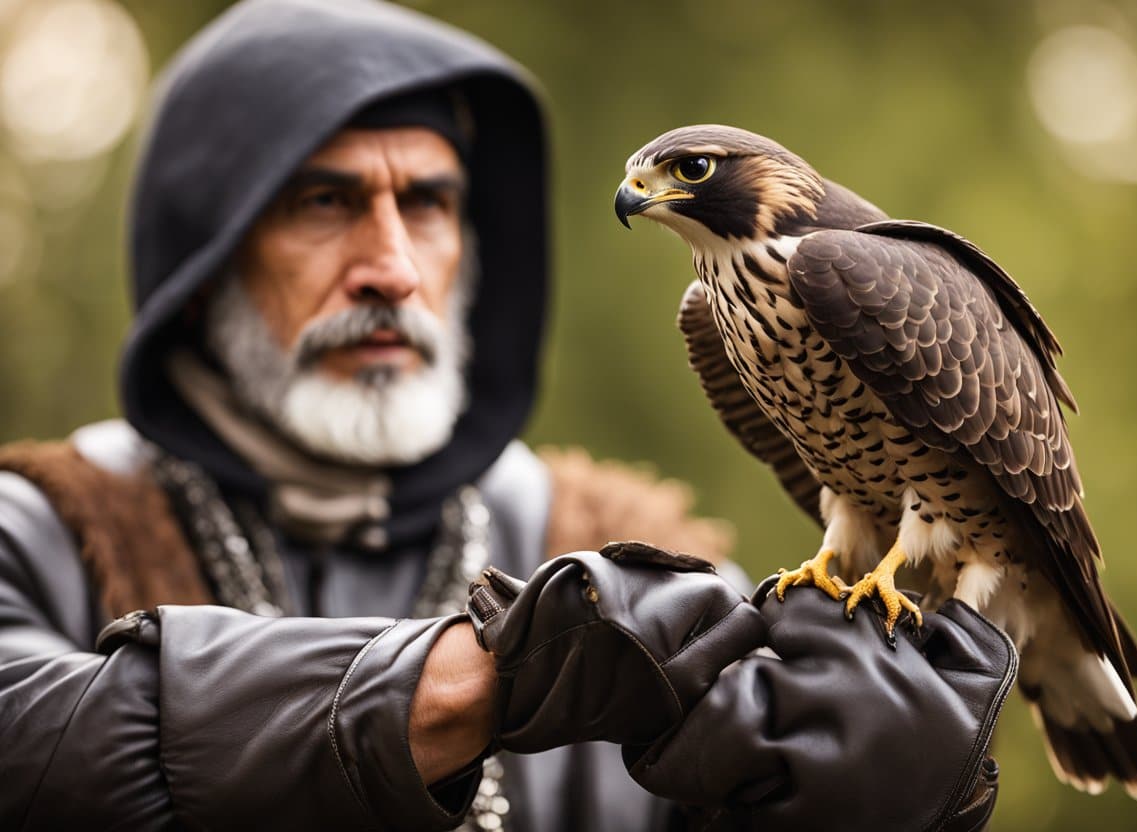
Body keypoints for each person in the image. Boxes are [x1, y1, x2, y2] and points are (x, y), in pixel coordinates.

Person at [0, 1, 1015, 829]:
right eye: (325, 202)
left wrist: (889, 794)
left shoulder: (619, 544)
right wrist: (483, 679)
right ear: (204, 252)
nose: (392, 268)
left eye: (430, 203)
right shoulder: (39, 529)